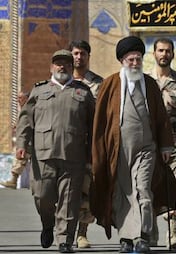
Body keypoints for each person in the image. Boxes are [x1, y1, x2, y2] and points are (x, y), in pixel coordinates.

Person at [90, 35, 174, 254]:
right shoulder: (109, 84)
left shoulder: (150, 84)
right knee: (123, 192)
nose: (135, 64)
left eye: (138, 59)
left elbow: (161, 118)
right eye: (131, 60)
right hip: (119, 150)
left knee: (143, 189)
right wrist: (99, 152)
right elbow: (100, 122)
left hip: (146, 149)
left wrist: (165, 146)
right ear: (122, 61)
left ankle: (143, 236)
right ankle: (127, 237)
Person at [15, 49, 95, 253]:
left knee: (69, 200)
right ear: (51, 67)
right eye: (58, 63)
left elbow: (93, 126)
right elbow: (25, 120)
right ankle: (48, 224)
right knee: (42, 196)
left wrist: (93, 154)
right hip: (43, 155)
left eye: (66, 63)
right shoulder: (39, 91)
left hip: (73, 156)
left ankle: (64, 240)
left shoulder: (83, 93)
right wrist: (22, 145)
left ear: (72, 66)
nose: (62, 66)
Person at [148, 37, 176, 249]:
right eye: (160, 50)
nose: (164, 54)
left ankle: (173, 232)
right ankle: (151, 230)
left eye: (168, 51)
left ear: (173, 54)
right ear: (154, 53)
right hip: (149, 143)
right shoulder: (144, 80)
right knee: (147, 187)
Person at [69, 40, 103, 249]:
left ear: (88, 56)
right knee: (65, 191)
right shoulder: (62, 81)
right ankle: (63, 229)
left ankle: (82, 233)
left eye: (82, 53)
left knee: (86, 191)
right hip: (66, 146)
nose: (79, 57)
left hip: (89, 146)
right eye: (75, 53)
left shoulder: (99, 83)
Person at [1, 91, 30, 189]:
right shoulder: (24, 109)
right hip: (25, 140)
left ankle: (14, 179)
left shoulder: (29, 108)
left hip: (29, 141)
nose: (18, 100)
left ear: (26, 98)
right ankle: (14, 179)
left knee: (20, 157)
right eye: (17, 98)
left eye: (20, 98)